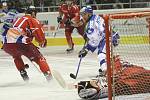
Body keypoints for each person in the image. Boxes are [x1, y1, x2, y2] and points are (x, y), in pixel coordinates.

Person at [1, 7, 52, 82]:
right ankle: (49, 77)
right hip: (21, 43)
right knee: (39, 58)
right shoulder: (32, 19)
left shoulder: (17, 20)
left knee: (16, 57)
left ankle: (23, 72)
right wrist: (42, 42)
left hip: (7, 44)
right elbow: (39, 35)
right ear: (33, 13)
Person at [77, 55, 150, 100]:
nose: (97, 81)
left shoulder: (117, 79)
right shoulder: (121, 84)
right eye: (96, 83)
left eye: (95, 81)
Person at [78, 6, 120, 75]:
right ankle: (110, 68)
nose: (82, 17)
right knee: (104, 53)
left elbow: (95, 41)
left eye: (84, 14)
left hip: (109, 37)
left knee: (101, 54)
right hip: (113, 35)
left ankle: (106, 71)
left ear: (89, 14)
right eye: (82, 15)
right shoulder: (95, 17)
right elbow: (98, 36)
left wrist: (86, 48)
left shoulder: (90, 25)